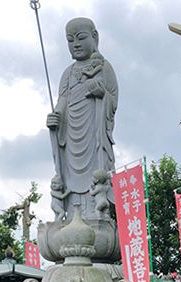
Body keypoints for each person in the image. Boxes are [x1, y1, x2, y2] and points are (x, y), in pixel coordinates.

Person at [46, 18, 118, 221]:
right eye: (70, 40)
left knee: (97, 172)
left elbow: (113, 101)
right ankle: (71, 215)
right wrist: (55, 118)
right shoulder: (67, 74)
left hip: (94, 133)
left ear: (94, 37)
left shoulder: (104, 67)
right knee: (68, 175)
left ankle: (97, 212)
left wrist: (102, 94)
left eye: (81, 38)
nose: (75, 44)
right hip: (70, 136)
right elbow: (62, 102)